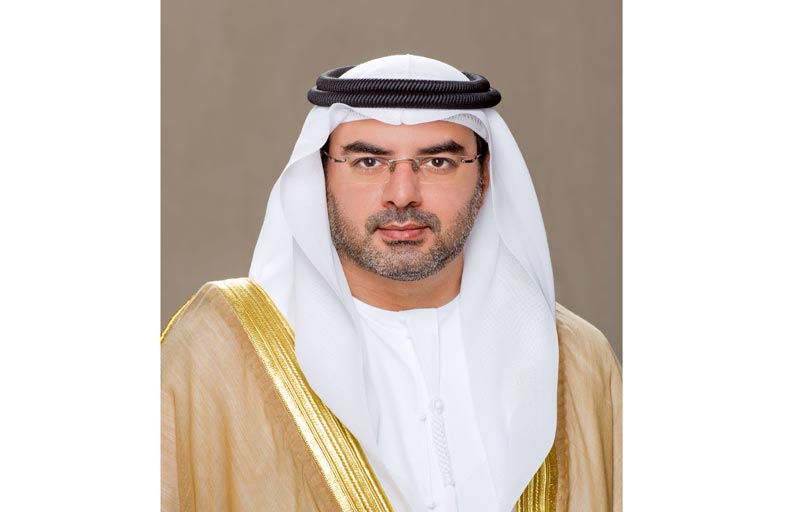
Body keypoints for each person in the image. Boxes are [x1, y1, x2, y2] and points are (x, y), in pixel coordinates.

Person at [161, 55, 621, 512]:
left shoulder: (576, 359)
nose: (402, 195)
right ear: (321, 175)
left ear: (484, 177)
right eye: (367, 161)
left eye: (438, 162)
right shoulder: (219, 350)